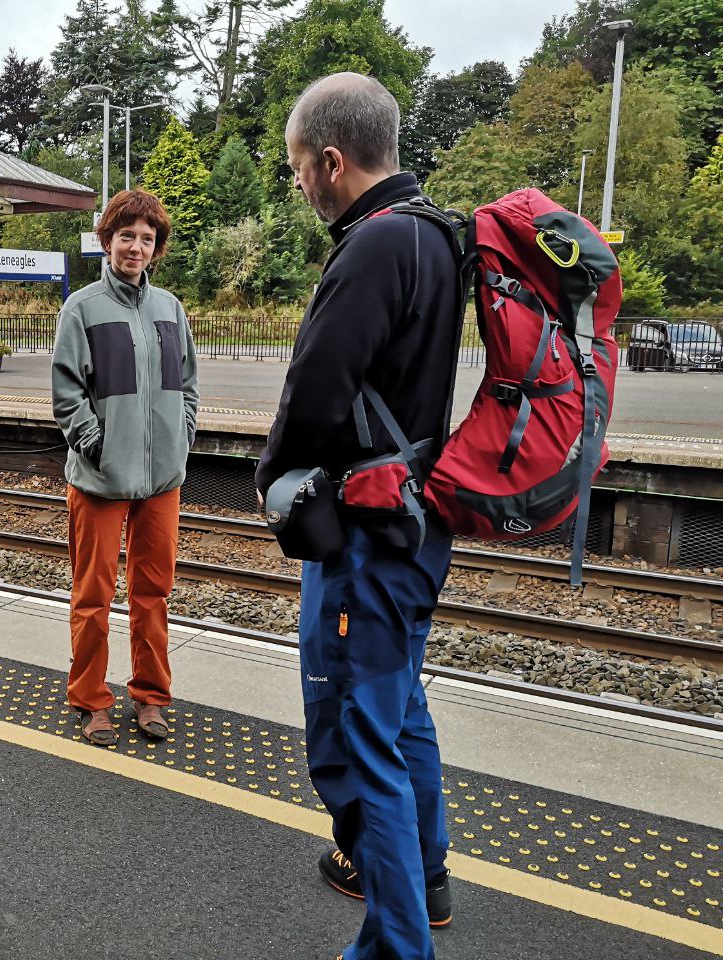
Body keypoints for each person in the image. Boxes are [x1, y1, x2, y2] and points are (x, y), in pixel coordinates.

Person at [254, 74, 461, 960]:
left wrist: (273, 483)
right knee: (399, 710)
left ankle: (394, 946)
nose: (300, 184)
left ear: (332, 161)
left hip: (366, 537)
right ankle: (426, 872)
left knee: (356, 738)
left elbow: (316, 393)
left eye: (301, 167)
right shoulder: (440, 234)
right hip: (415, 523)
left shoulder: (373, 247)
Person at [51, 188, 199, 746]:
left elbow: (186, 385)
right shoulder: (82, 308)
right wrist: (94, 444)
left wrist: (179, 439)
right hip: (99, 479)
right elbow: (67, 392)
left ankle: (151, 696)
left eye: (146, 238)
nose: (135, 247)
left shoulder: (170, 309)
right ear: (106, 240)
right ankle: (90, 699)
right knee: (93, 595)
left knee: (153, 591)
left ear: (155, 248)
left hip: (162, 479)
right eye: (126, 236)